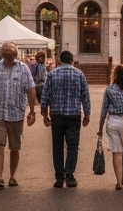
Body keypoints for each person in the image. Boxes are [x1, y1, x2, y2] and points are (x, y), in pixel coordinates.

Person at [0, 41, 38, 188]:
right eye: (7, 54)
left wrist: (32, 111)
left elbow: (31, 90)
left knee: (14, 147)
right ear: (2, 54)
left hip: (16, 114)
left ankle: (12, 176)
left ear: (15, 54)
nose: (9, 56)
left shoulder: (23, 68)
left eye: (11, 54)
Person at [40, 50, 90, 188]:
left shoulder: (52, 74)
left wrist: (44, 113)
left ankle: (59, 177)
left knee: (57, 147)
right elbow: (85, 95)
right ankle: (69, 175)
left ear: (60, 60)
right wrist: (87, 113)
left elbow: (45, 94)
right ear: (71, 60)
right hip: (73, 115)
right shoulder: (79, 74)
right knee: (72, 146)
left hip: (57, 116)